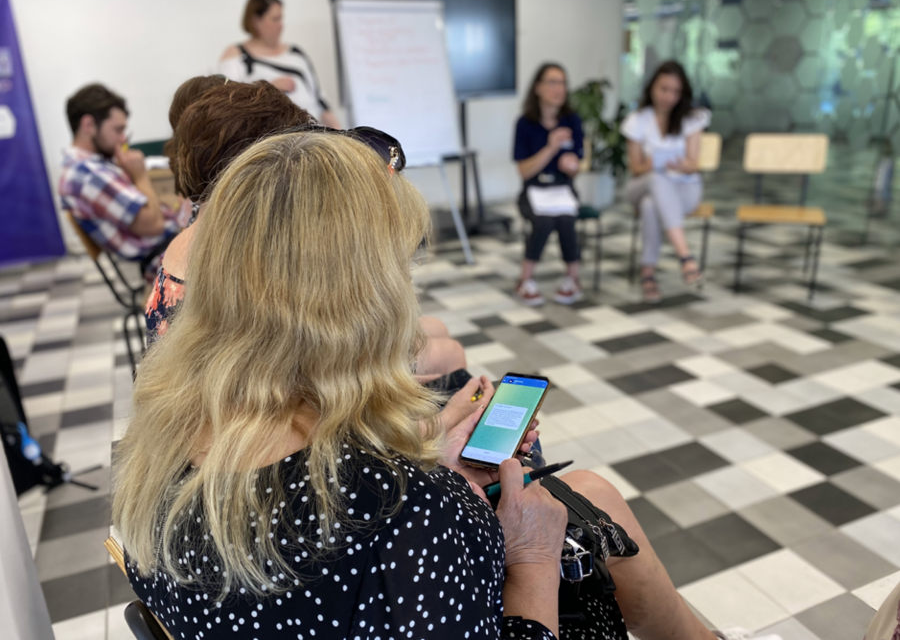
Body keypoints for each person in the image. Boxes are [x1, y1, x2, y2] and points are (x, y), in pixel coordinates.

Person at [114, 130, 769, 640]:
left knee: (589, 493)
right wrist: (534, 560)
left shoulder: (161, 440)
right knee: (577, 512)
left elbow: (320, 511)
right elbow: (382, 546)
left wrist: (423, 449)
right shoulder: (413, 519)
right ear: (360, 296)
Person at [145, 80, 473, 411]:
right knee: (448, 353)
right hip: (250, 400)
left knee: (434, 329)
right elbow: (314, 348)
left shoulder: (204, 228)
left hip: (218, 382)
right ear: (257, 168)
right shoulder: (248, 250)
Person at [59, 84, 180, 282]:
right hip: (164, 259)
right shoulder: (88, 174)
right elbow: (154, 225)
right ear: (88, 125)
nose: (123, 139)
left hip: (167, 248)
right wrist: (140, 176)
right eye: (118, 129)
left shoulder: (87, 167)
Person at [622, 61, 711, 303]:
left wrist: (684, 165)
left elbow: (694, 163)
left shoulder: (692, 118)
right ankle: (685, 256)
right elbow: (635, 168)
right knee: (656, 181)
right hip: (642, 184)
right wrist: (650, 165)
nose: (669, 96)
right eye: (664, 89)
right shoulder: (638, 120)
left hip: (685, 187)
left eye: (675, 91)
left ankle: (648, 275)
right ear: (652, 87)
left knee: (652, 205)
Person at [513, 63, 586, 307]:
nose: (559, 88)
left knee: (566, 220)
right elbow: (524, 171)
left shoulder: (572, 121)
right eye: (553, 82)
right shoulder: (525, 124)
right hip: (533, 191)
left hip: (563, 189)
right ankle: (525, 279)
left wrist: (572, 164)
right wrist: (551, 147)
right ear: (538, 87)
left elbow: (578, 162)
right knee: (543, 221)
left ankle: (573, 279)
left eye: (563, 83)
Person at [218, 0, 340, 128]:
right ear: (256, 21)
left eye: (281, 19)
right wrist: (269, 89)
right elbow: (228, 107)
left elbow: (320, 101)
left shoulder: (295, 53)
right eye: (275, 19)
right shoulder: (236, 55)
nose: (281, 25)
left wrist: (342, 135)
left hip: (314, 133)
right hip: (272, 141)